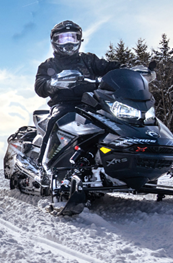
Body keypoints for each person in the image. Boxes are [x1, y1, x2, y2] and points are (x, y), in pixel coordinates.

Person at [34, 20, 122, 171]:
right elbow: (40, 86)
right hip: (65, 104)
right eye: (63, 38)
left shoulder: (89, 60)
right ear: (55, 41)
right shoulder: (49, 65)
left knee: (119, 121)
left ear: (79, 40)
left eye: (72, 38)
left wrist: (132, 70)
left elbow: (110, 68)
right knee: (55, 121)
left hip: (93, 103)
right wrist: (53, 83)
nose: (68, 43)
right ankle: (43, 165)